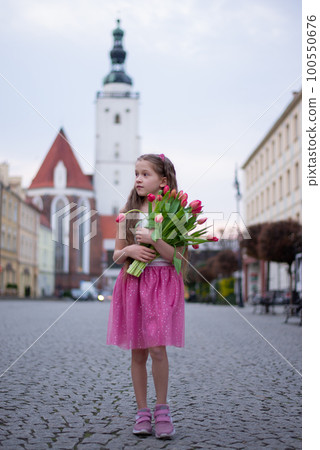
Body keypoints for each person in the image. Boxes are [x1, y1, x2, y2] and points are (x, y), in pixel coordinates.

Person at [107, 154, 185, 439]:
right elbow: (116, 255)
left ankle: (162, 410)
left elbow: (178, 259)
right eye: (136, 174)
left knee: (157, 349)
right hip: (133, 283)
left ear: (162, 181)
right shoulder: (127, 214)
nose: (138, 179)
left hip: (162, 284)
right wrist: (129, 251)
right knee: (137, 351)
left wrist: (155, 241)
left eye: (145, 174)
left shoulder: (176, 212)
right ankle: (142, 412)